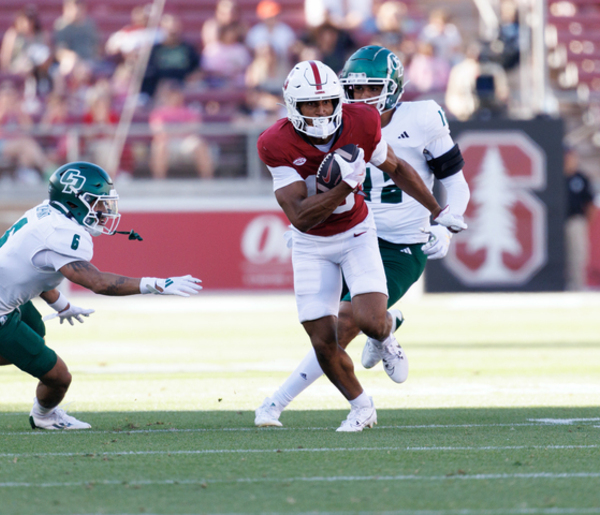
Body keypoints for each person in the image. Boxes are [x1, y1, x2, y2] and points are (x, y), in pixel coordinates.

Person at [255, 46, 470, 429]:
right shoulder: (280, 139)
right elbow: (301, 206)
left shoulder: (412, 117)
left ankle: (278, 402)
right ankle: (387, 328)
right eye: (354, 89)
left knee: (349, 322)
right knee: (327, 332)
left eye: (371, 87)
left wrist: (442, 220)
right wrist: (315, 212)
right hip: (326, 230)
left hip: (391, 236)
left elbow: (438, 177)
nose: (362, 97)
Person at [0, 161, 203, 430]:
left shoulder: (46, 213)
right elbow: (97, 282)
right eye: (96, 202)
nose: (103, 211)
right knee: (59, 377)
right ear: (75, 201)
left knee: (35, 331)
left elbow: (29, 270)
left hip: (8, 299)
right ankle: (44, 416)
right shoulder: (61, 233)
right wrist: (155, 284)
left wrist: (61, 304)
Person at [564, 146, 596, 290]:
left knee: (578, 254)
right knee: (559, 253)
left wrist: (585, 221)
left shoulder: (581, 178)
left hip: (576, 220)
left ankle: (577, 285)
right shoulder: (556, 177)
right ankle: (560, 285)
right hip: (558, 222)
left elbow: (590, 204)